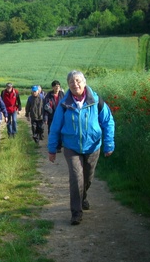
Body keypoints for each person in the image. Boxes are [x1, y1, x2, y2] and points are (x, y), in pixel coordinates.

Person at [47, 70, 115, 226]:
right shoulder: (64, 104)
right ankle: (76, 213)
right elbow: (55, 127)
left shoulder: (96, 101)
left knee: (87, 177)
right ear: (68, 85)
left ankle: (83, 196)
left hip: (93, 146)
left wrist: (109, 144)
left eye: (78, 81)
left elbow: (108, 122)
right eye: (71, 82)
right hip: (71, 147)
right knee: (76, 178)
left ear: (84, 82)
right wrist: (52, 149)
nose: (75, 84)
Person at [43, 80, 65, 152]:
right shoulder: (48, 96)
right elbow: (46, 107)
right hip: (51, 116)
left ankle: (58, 147)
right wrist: (45, 118)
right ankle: (52, 145)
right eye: (56, 87)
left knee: (60, 131)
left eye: (58, 86)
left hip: (61, 116)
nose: (57, 88)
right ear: (52, 87)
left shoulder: (62, 94)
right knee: (52, 131)